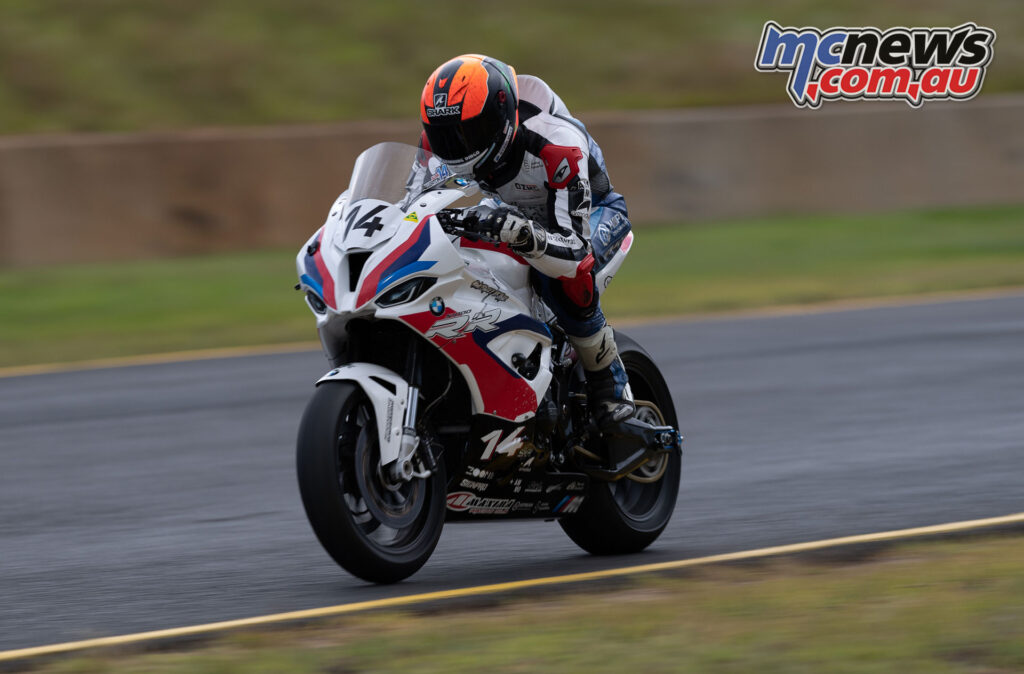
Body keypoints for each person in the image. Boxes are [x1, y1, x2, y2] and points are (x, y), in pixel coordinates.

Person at [419, 53, 635, 429]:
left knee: (559, 280)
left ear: (502, 115)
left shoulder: (555, 141)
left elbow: (575, 252)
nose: (456, 146)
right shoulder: (436, 145)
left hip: (590, 215)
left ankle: (610, 389)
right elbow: (413, 206)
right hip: (509, 214)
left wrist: (523, 234)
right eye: (446, 135)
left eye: (469, 131)